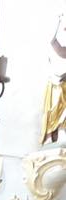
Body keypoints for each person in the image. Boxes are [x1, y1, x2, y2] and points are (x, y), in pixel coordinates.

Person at [42, 14, 66, 144]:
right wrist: (58, 22)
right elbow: (54, 43)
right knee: (58, 100)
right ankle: (56, 131)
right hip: (60, 83)